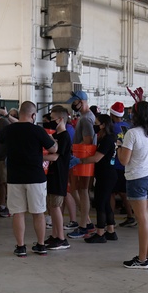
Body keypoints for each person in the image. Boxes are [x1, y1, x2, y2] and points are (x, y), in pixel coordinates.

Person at [0, 101, 57, 257]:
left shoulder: (8, 130)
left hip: (15, 177)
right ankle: (41, 245)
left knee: (18, 213)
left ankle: (21, 247)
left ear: (19, 113)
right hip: (36, 177)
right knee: (38, 213)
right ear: (33, 115)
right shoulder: (38, 131)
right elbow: (53, 148)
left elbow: (1, 141)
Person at [118, 101, 148, 269]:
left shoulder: (132, 134)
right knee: (146, 218)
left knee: (142, 219)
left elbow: (123, 160)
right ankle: (147, 255)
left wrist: (119, 147)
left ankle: (142, 259)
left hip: (137, 178)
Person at [80, 114, 118, 243]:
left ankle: (100, 233)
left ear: (103, 125)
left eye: (96, 123)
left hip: (106, 175)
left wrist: (80, 160)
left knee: (100, 203)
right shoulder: (108, 138)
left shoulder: (107, 139)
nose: (94, 125)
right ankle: (111, 231)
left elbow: (97, 158)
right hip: (107, 173)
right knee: (106, 202)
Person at [42, 105, 72, 250]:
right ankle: (54, 235)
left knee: (56, 207)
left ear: (61, 120)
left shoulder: (65, 136)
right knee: (51, 207)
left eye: (53, 119)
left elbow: (55, 156)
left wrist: (39, 156)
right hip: (51, 175)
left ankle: (61, 237)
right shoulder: (56, 136)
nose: (51, 122)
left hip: (59, 175)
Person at [67, 90, 96, 239]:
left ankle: (84, 226)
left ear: (82, 101)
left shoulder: (86, 119)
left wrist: (75, 151)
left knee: (83, 191)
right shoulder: (86, 117)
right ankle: (87, 221)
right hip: (81, 158)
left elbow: (88, 141)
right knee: (76, 190)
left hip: (83, 158)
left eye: (75, 102)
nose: (73, 105)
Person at [109, 102, 135, 227]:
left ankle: (110, 218)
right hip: (126, 162)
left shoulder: (112, 128)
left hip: (115, 162)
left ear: (111, 114)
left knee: (111, 192)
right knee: (123, 192)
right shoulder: (128, 126)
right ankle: (130, 216)